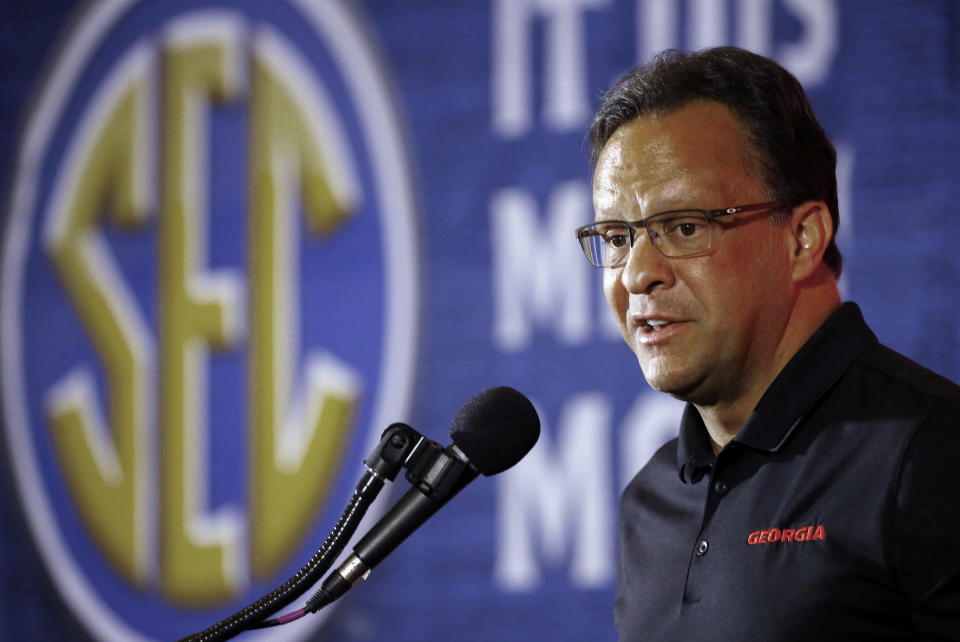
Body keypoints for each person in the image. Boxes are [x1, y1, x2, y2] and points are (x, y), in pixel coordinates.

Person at [576, 46, 960, 640]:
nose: (636, 274)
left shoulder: (930, 449)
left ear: (803, 237)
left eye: (684, 227)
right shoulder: (648, 502)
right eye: (617, 236)